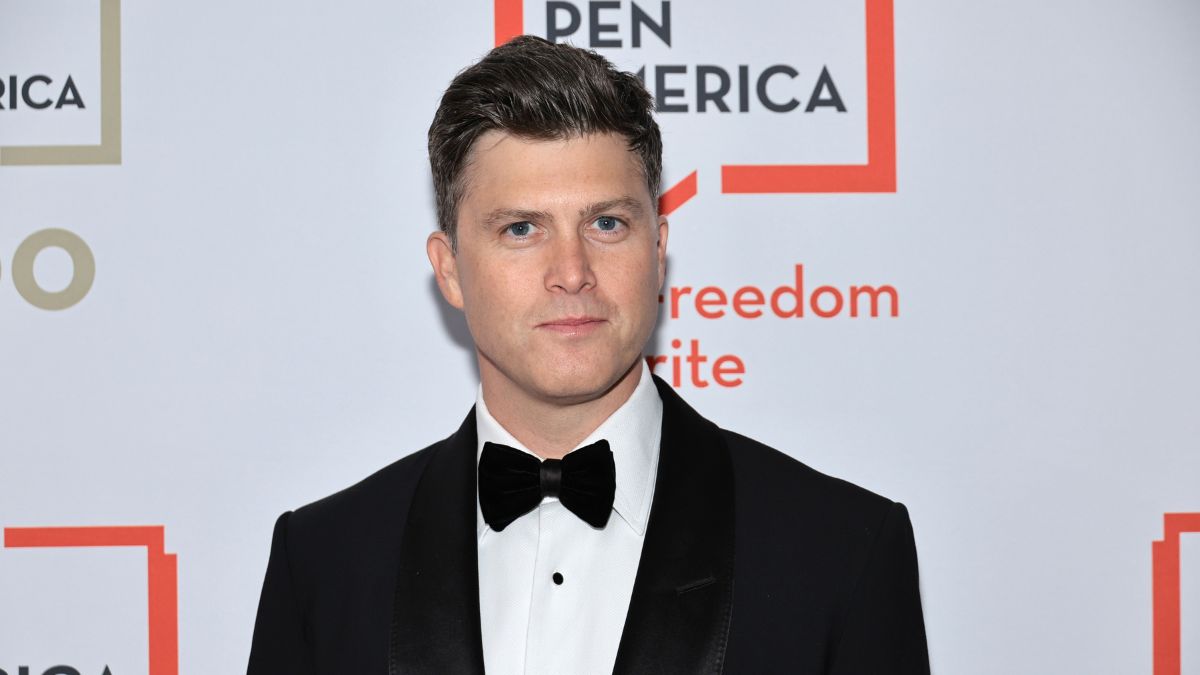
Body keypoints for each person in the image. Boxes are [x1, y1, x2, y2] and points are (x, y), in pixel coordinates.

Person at [247, 35, 930, 675]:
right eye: (521, 228)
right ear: (449, 267)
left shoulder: (842, 553)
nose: (571, 271)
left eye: (607, 223)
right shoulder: (323, 564)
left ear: (657, 250)